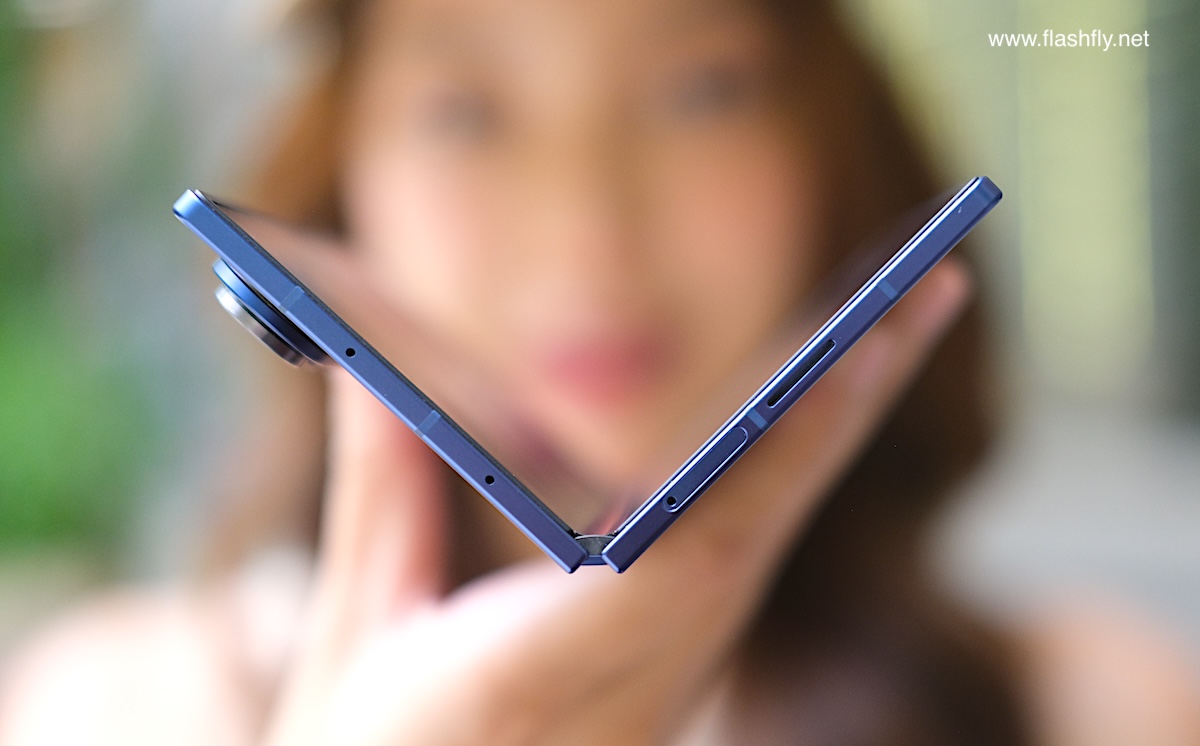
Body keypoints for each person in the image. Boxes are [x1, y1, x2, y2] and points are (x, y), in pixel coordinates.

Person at [3, 0, 1199, 744]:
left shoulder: (1100, 710)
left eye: (701, 88)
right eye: (465, 110)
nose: (590, 238)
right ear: (341, 170)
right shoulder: (122, 708)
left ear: (833, 136)